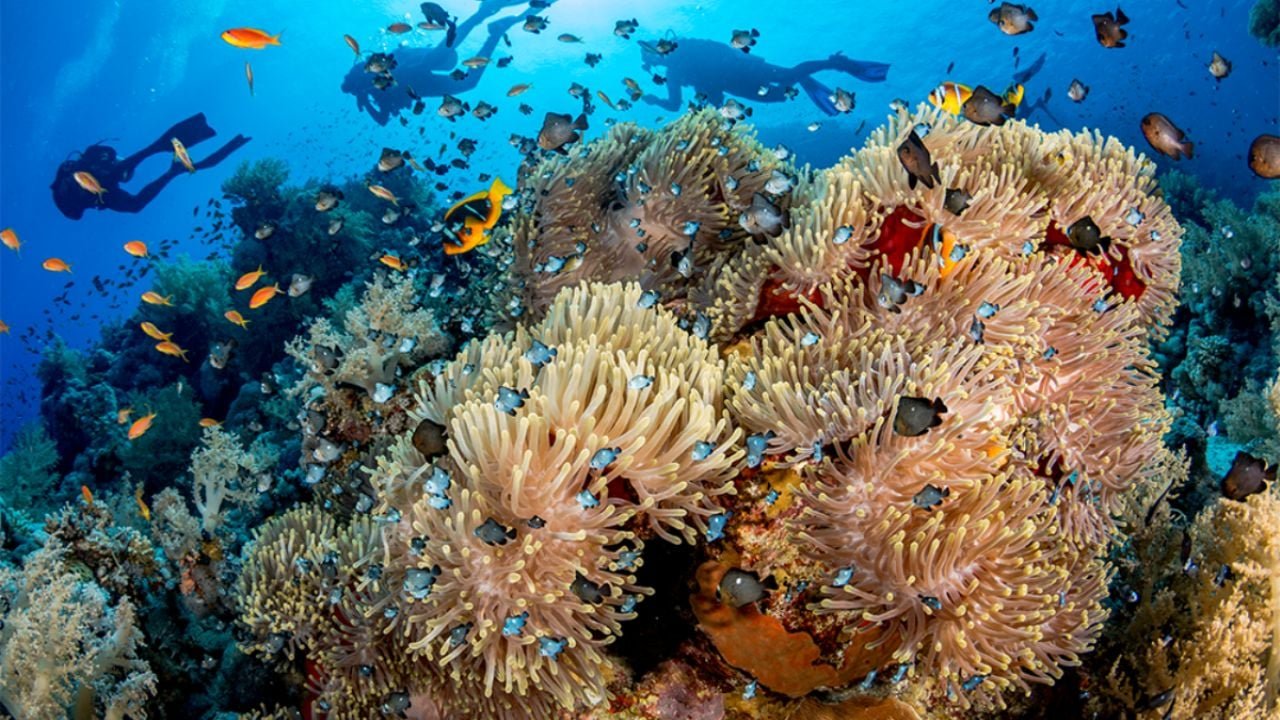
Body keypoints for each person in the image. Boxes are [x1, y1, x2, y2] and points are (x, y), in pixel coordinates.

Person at [342, 0, 541, 125]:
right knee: (468, 83)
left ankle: (482, 13)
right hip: (421, 88)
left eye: (354, 87)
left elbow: (387, 67)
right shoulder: (369, 94)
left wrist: (365, 95)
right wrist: (366, 100)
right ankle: (495, 33)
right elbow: (383, 120)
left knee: (442, 53)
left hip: (411, 69)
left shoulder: (366, 77)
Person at [51, 113, 249, 220]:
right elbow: (76, 211)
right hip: (95, 188)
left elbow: (116, 168)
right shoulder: (70, 192)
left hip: (98, 189)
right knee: (128, 191)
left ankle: (169, 166)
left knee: (128, 191)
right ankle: (169, 166)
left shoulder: (98, 168)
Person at [637, 37, 890, 116]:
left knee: (786, 80)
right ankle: (828, 66)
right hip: (741, 70)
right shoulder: (686, 51)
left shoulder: (675, 69)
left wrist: (651, 100)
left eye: (651, 59)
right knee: (785, 83)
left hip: (738, 76)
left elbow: (673, 105)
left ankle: (832, 63)